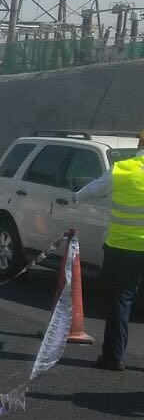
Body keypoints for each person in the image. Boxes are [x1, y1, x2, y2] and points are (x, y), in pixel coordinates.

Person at [74, 131, 144, 371]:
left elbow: (93, 189)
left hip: (122, 248)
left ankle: (113, 357)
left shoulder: (123, 169)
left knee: (120, 301)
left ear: (139, 144)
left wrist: (77, 197)